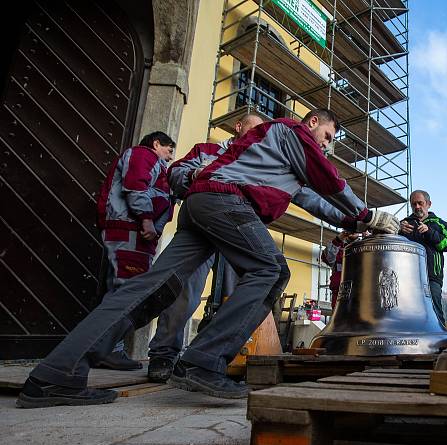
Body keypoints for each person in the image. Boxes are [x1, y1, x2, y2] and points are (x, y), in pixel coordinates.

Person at [17, 108, 400, 408]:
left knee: (153, 287)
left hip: (206, 207)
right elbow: (328, 178)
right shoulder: (290, 132)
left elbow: (314, 199)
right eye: (328, 136)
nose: (327, 145)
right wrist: (368, 214)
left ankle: (56, 373)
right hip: (223, 202)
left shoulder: (281, 163)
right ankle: (203, 361)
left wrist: (355, 222)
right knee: (269, 269)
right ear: (313, 122)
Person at [146, 113, 264, 382]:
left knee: (235, 296)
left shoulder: (258, 164)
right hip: (202, 229)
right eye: (253, 128)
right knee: (184, 292)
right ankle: (164, 352)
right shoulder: (206, 150)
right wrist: (194, 173)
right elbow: (173, 174)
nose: (258, 134)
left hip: (237, 232)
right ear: (238, 127)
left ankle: (213, 359)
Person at [93, 131, 175, 370]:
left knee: (124, 287)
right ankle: (107, 349)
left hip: (136, 232)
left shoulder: (155, 164)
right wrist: (147, 219)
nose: (170, 158)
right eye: (169, 151)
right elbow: (135, 185)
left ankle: (105, 348)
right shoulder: (143, 154)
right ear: (156, 143)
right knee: (126, 290)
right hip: (131, 229)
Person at [399, 190, 447, 325]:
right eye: (414, 204)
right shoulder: (405, 224)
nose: (417, 207)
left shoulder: (441, 224)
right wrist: (399, 231)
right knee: (409, 312)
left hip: (432, 276)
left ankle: (442, 342)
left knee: (435, 311)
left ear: (429, 204)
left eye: (420, 203)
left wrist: (430, 232)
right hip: (408, 277)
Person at [321, 231, 363, 309]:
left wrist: (368, 238)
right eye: (351, 228)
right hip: (340, 294)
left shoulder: (365, 246)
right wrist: (338, 239)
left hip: (360, 293)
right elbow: (327, 258)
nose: (353, 230)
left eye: (356, 229)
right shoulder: (338, 246)